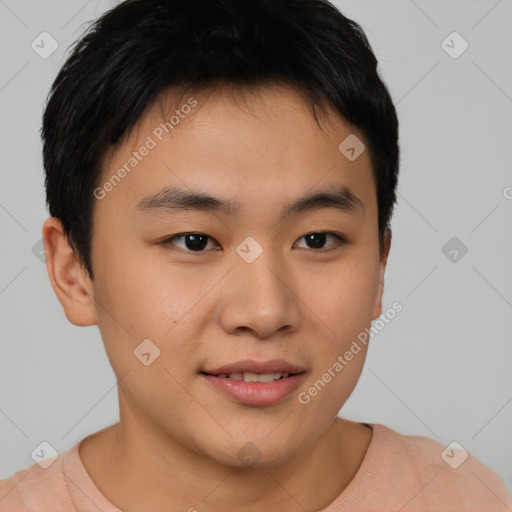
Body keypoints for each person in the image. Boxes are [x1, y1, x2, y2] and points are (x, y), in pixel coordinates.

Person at [1, 0, 510, 510]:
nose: (265, 312)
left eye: (317, 239)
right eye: (194, 241)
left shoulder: (465, 496)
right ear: (73, 273)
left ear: (379, 267)